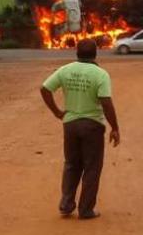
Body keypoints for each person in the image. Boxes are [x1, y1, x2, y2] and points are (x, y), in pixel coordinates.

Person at [40, 39, 120, 220]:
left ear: (77, 53)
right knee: (92, 167)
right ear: (95, 54)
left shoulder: (65, 70)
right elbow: (106, 102)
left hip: (70, 124)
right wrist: (114, 127)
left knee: (71, 165)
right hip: (92, 125)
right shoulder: (100, 74)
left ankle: (66, 204)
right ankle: (86, 210)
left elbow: (45, 89)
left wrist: (57, 112)